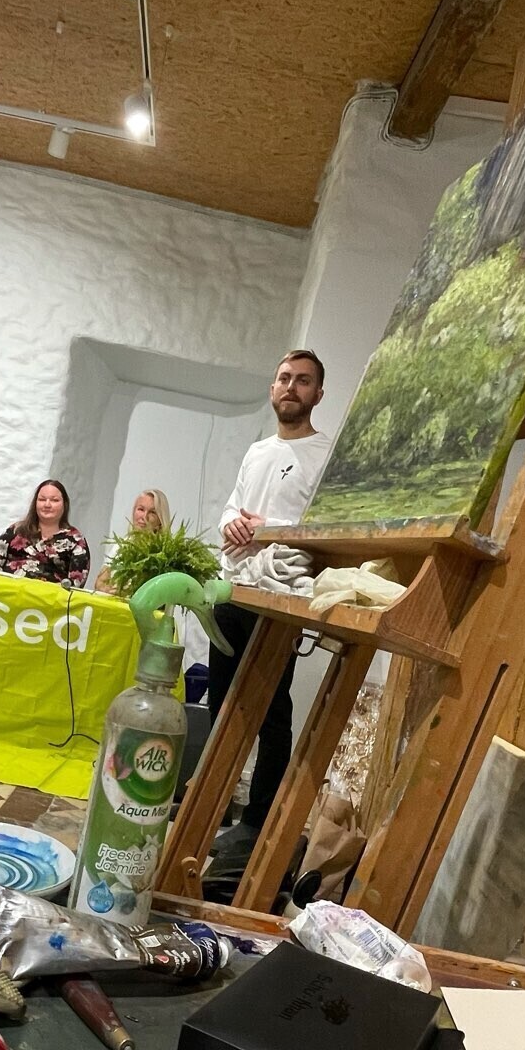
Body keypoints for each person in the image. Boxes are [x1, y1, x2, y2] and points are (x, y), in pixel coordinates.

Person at [207, 350, 334, 831]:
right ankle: (213, 807)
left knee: (271, 711)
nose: (290, 387)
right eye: (284, 378)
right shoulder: (257, 451)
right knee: (221, 704)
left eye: (302, 380)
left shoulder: (326, 455)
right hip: (233, 589)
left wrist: (268, 528)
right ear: (272, 388)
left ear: (317, 394)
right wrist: (232, 524)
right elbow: (231, 506)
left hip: (280, 595)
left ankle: (257, 821)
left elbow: (328, 529)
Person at [0, 479, 90, 586]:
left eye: (54, 500)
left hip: (50, 595)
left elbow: (76, 582)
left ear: (64, 504)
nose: (47, 505)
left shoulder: (76, 539)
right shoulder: (16, 530)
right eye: (42, 499)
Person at [92, 487, 171, 591]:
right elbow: (100, 582)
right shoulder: (121, 545)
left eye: (152, 512)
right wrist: (109, 590)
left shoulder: (165, 553)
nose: (144, 516)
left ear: (160, 520)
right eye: (141, 509)